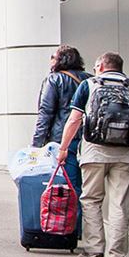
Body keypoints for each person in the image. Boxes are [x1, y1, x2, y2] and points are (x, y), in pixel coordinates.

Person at [56, 52, 129, 257]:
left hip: (94, 152)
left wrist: (63, 148)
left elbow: (74, 120)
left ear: (100, 66)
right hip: (126, 154)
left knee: (91, 199)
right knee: (120, 204)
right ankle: (116, 255)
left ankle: (93, 248)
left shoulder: (89, 85)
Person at [34, 45, 91, 193]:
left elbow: (45, 113)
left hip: (64, 140)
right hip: (88, 139)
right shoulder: (91, 80)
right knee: (87, 186)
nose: (51, 61)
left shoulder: (54, 79)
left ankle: (73, 209)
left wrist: (37, 144)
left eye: (53, 57)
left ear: (61, 60)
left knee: (68, 184)